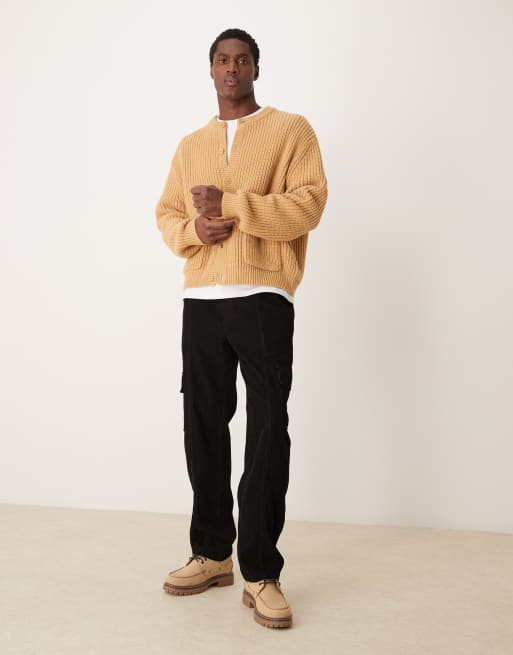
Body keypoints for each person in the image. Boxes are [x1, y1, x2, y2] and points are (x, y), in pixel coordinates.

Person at [155, 27, 327, 629]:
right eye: (223, 60)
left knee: (268, 428)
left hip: (263, 294)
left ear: (256, 68)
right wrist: (193, 232)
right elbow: (167, 213)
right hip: (202, 298)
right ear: (211, 70)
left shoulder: (291, 131)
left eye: (243, 59)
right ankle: (211, 553)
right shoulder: (190, 145)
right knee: (202, 425)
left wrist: (233, 205)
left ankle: (260, 570)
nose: (232, 68)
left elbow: (308, 205)